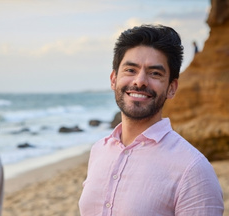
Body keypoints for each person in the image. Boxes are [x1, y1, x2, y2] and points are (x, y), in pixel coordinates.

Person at [79, 24, 224, 215]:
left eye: (155, 73)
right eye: (130, 70)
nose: (140, 81)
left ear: (171, 88)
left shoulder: (193, 169)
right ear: (113, 79)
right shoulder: (99, 150)